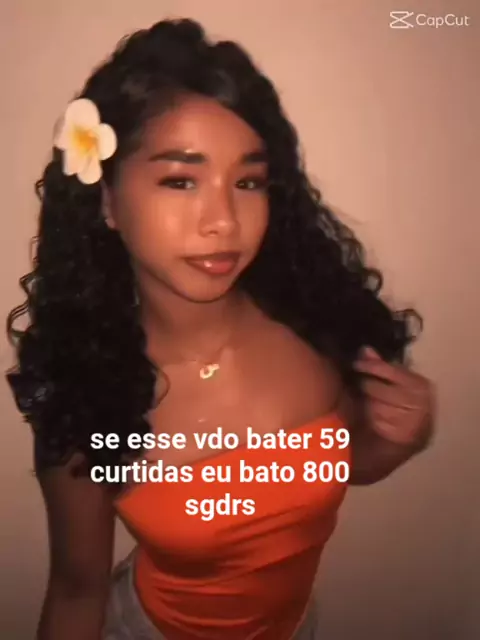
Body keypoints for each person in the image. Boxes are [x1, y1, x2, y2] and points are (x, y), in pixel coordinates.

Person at [6, 18, 434, 640]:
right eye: (181, 180)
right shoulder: (86, 392)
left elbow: (335, 470)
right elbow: (77, 590)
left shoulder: (312, 324)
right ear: (107, 201)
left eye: (248, 182)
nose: (224, 221)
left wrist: (398, 439)